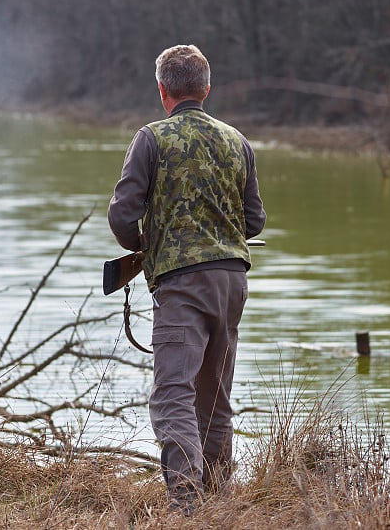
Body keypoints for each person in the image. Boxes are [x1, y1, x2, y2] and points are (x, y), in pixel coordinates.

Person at [107, 44, 266, 515]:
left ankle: (185, 502)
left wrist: (144, 244)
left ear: (163, 91)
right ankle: (218, 498)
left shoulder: (151, 139)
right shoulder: (238, 141)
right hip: (233, 281)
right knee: (215, 396)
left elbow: (122, 215)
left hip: (180, 285)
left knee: (173, 391)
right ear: (207, 87)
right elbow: (254, 221)